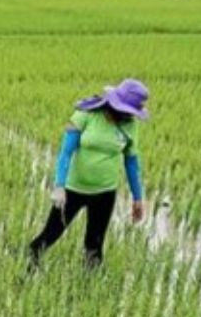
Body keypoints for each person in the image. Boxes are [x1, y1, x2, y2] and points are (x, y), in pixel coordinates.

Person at [28, 78, 149, 268]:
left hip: (105, 193)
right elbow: (66, 152)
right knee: (50, 235)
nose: (126, 115)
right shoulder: (86, 115)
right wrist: (59, 186)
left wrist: (138, 198)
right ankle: (28, 267)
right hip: (73, 190)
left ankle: (89, 287)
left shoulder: (130, 125)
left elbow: (132, 162)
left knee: (95, 245)